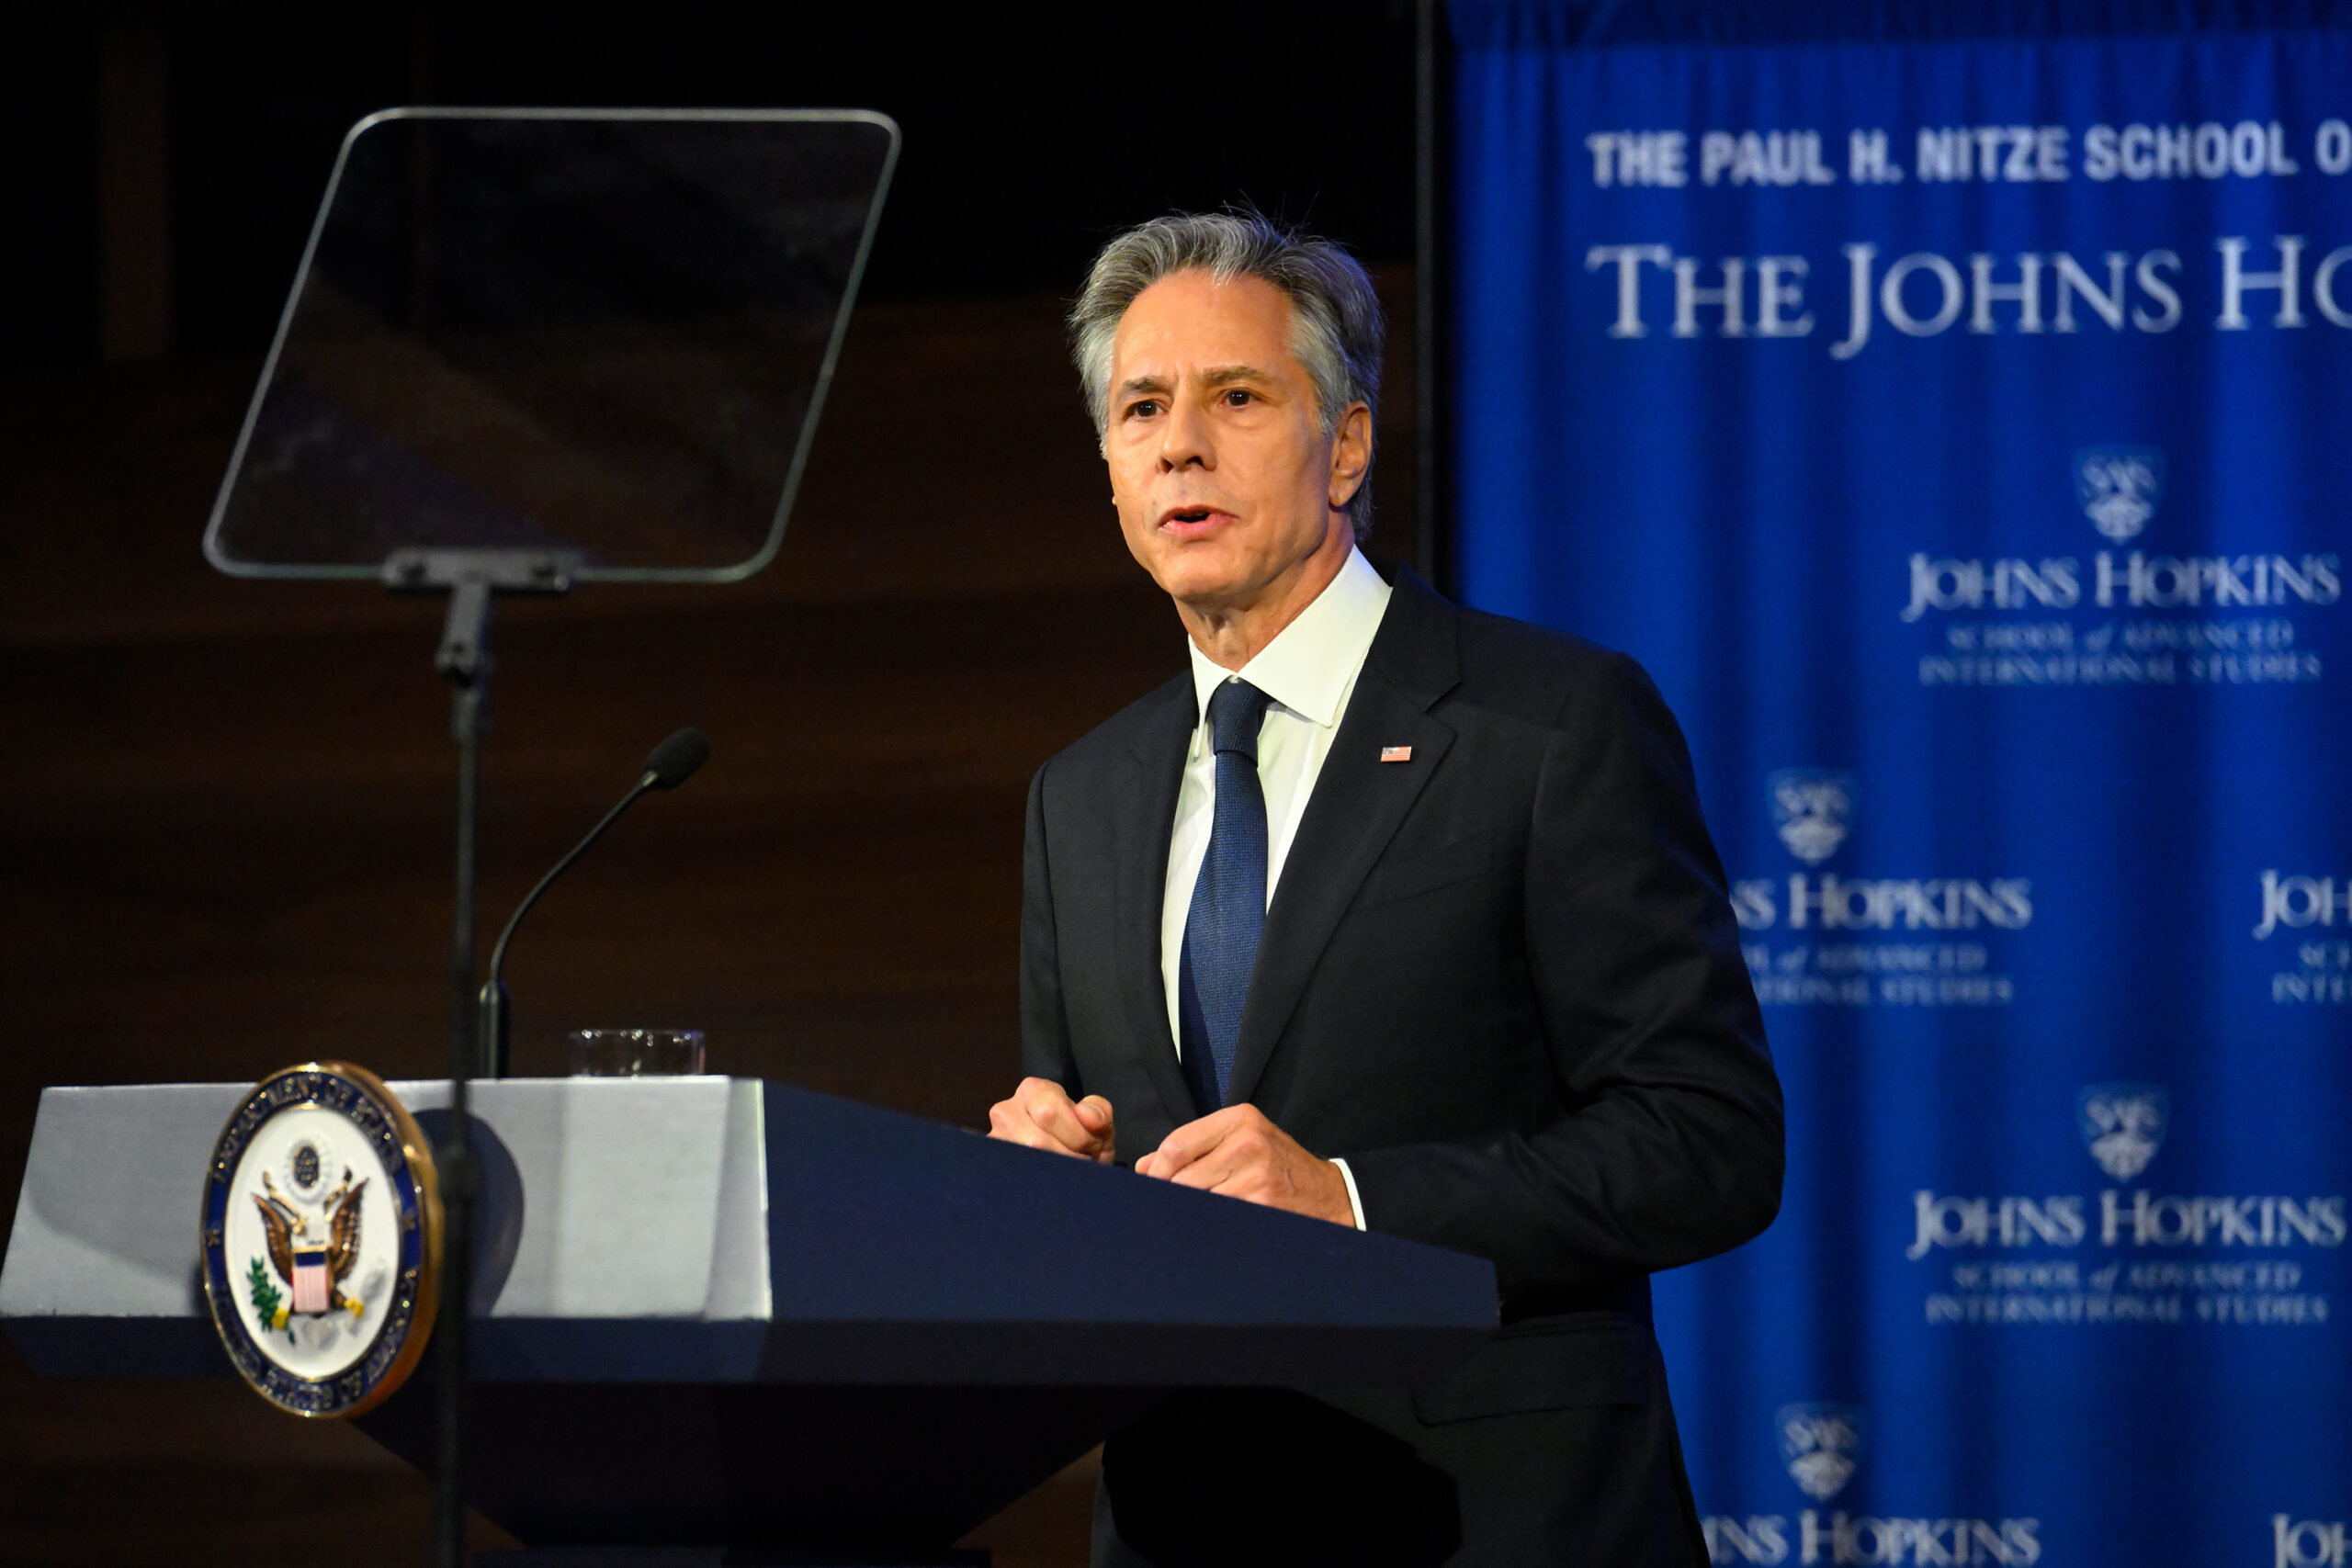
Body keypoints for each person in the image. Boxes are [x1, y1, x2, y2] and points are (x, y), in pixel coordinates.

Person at [987, 211, 1783, 1568]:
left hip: (1494, 1521)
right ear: (1112, 467)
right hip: (1190, 1524)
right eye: (1141, 408)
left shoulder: (1548, 723)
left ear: (1346, 442)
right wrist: (1048, 1187)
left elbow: (1708, 1140)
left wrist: (1354, 1199)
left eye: (1237, 398)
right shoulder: (1084, 794)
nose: (1181, 442)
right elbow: (1108, 1153)